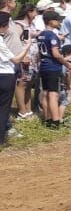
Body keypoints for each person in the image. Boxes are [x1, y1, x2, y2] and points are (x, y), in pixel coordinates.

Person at [0, 12, 32, 145]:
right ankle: (1, 140)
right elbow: (16, 59)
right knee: (3, 109)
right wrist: (26, 47)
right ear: (5, 25)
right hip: (5, 75)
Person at [37, 10, 70, 129]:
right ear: (51, 22)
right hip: (52, 67)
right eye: (57, 20)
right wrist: (67, 64)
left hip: (44, 66)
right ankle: (56, 121)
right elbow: (56, 54)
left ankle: (47, 118)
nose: (59, 22)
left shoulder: (41, 34)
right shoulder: (52, 35)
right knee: (53, 94)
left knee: (45, 93)